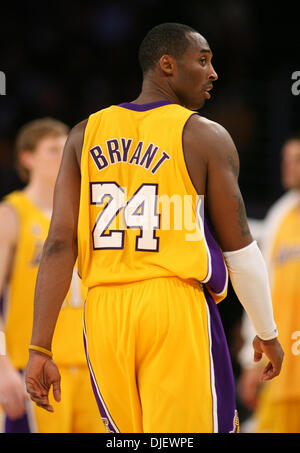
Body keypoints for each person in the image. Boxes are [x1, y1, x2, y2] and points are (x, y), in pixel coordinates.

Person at [24, 23, 283, 434]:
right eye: (202, 60)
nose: (213, 72)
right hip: (172, 304)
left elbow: (59, 244)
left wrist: (39, 346)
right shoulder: (204, 135)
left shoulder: (82, 134)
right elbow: (240, 250)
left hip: (103, 313)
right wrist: (267, 331)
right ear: (166, 65)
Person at [0, 118, 104, 433]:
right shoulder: (11, 213)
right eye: (52, 149)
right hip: (33, 367)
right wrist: (1, 364)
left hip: (93, 368)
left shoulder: (91, 215)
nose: (64, 155)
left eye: (67, 149)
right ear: (27, 158)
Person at [238, 132, 300, 433]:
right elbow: (263, 288)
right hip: (284, 365)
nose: (288, 167)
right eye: (285, 160)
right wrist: (251, 361)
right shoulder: (280, 214)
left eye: (297, 160)